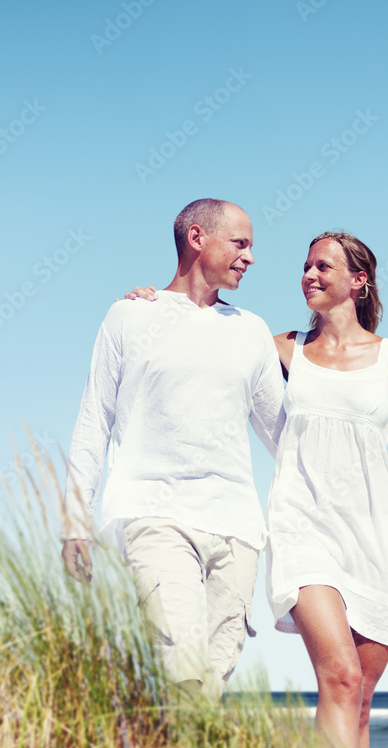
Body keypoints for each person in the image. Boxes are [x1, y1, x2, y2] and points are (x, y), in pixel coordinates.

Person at [60, 199, 285, 701]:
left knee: (213, 675)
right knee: (180, 664)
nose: (250, 257)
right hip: (153, 514)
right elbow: (93, 422)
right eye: (241, 243)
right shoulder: (129, 316)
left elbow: (284, 437)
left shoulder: (251, 330)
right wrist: (74, 523)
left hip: (236, 528)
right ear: (198, 238)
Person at [266, 231, 388, 748]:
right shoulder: (283, 348)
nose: (309, 275)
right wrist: (157, 300)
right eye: (306, 266)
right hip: (302, 527)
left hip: (376, 534)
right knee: (339, 675)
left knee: (360, 695)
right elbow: (210, 333)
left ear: (358, 281)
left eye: (323, 266)